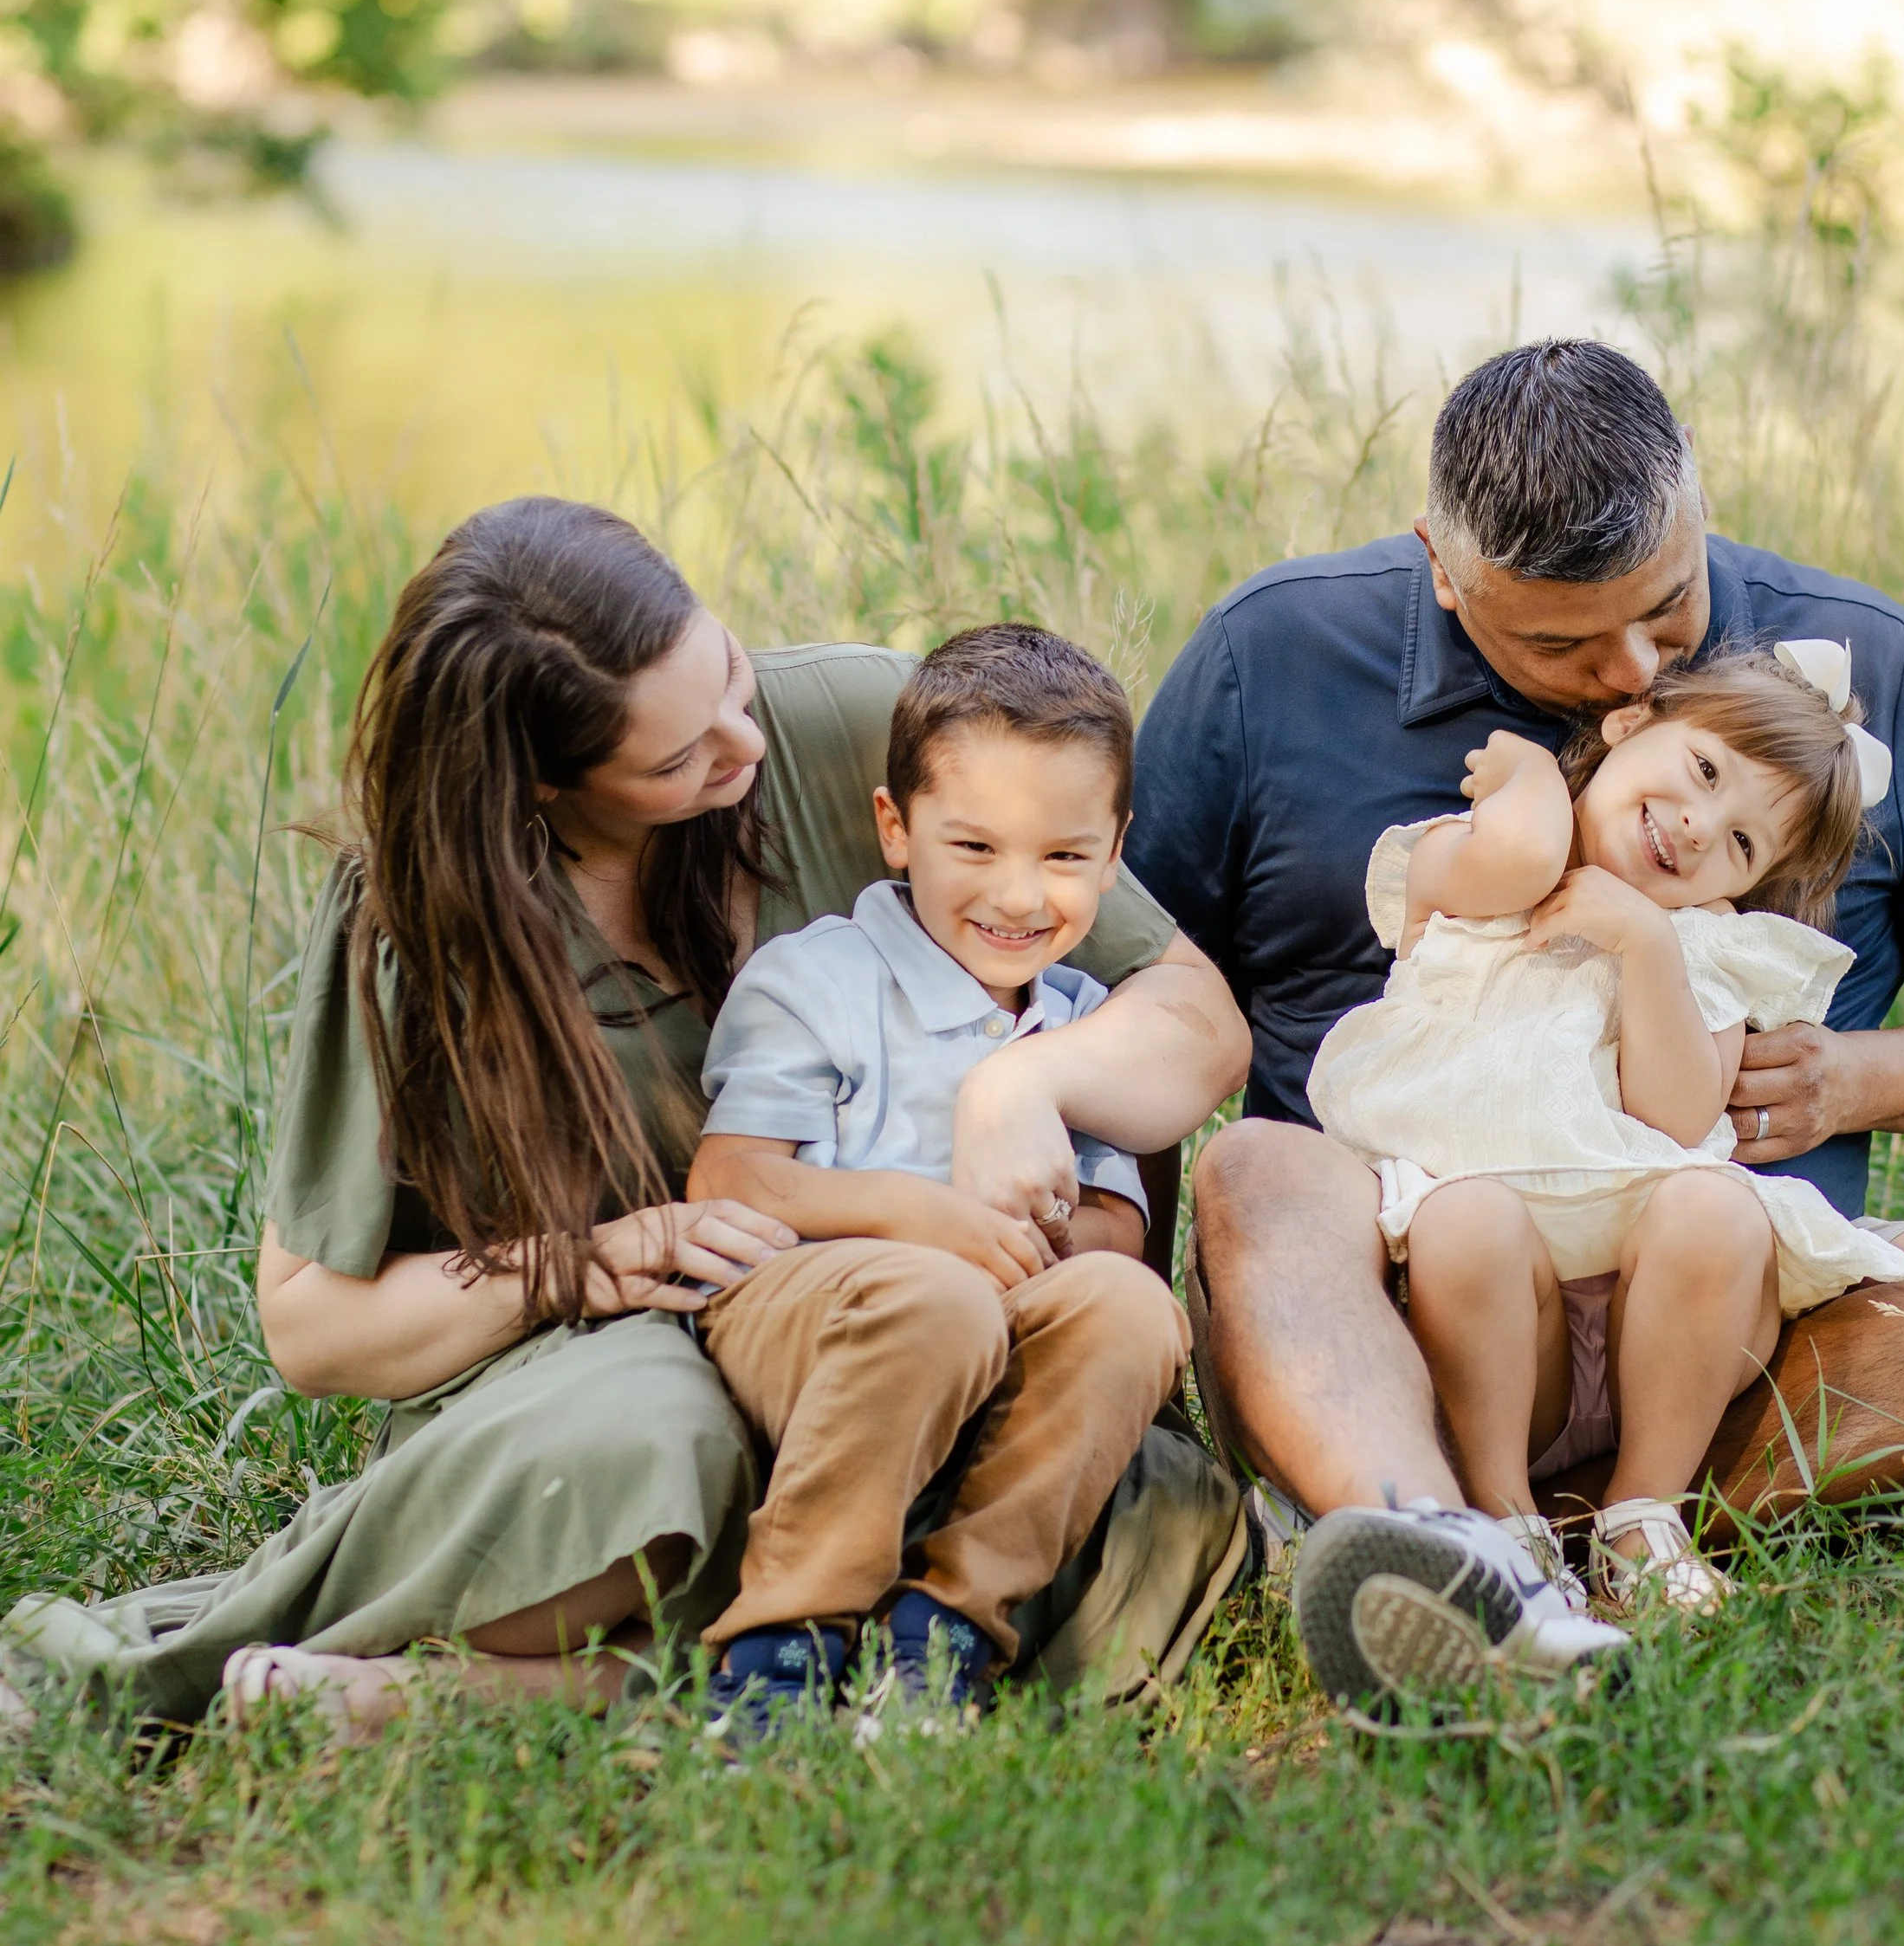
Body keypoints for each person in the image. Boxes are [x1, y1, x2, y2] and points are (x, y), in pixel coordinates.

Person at [0, 501, 1248, 1741]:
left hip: (916, 1338)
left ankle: (552, 1692)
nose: (741, 745)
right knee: (670, 1450)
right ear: (543, 780)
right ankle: (532, 1676)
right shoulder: (417, 915)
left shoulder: (871, 727)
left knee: (1111, 1488)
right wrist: (593, 1262)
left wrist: (1018, 1084)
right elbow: (314, 1328)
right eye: (675, 761)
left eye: (729, 674)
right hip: (606, 1356)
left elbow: (1191, 1016)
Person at [1128, 339, 1904, 1713]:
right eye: (1559, 639)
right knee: (1260, 1169)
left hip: (1727, 1335)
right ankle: (1438, 1526)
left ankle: (1615, 1537)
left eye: (1669, 611)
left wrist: (1856, 1078)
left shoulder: (1866, 673)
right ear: (1440, 562)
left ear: (1699, 508)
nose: (1629, 674)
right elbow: (1126, 991)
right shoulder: (1273, 658)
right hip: (1391, 1316)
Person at [1299, 653, 1904, 1690]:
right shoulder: (1474, 865)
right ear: (1631, 719)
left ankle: (1643, 1516)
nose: (1693, 826)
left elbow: (1679, 1119)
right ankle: (1505, 1527)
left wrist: (1647, 950)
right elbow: (1518, 856)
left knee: (1712, 1207)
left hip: (1668, 1331)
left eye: (1738, 842)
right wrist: (1541, 775)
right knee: (1466, 1219)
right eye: (1705, 771)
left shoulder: (1710, 950)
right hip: (1501, 1334)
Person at [691, 624, 1197, 1739]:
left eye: (1064, 858)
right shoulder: (818, 979)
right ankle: (782, 1648)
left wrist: (1050, 1243)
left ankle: (946, 1632)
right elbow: (733, 1184)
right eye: (973, 847)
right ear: (895, 829)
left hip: (1000, 1325)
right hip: (822, 1315)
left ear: (1114, 855)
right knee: (937, 1293)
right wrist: (921, 1218)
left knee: (1132, 1305)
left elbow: (1114, 1223)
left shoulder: (1081, 1029)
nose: (1019, 896)